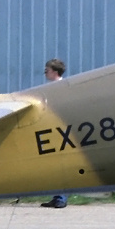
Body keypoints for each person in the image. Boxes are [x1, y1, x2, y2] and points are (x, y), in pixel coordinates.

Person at [41, 58, 68, 209]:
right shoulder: (52, 88)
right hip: (54, 129)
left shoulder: (59, 88)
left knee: (61, 164)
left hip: (59, 130)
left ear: (54, 72)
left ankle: (61, 198)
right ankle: (57, 196)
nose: (45, 72)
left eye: (47, 70)